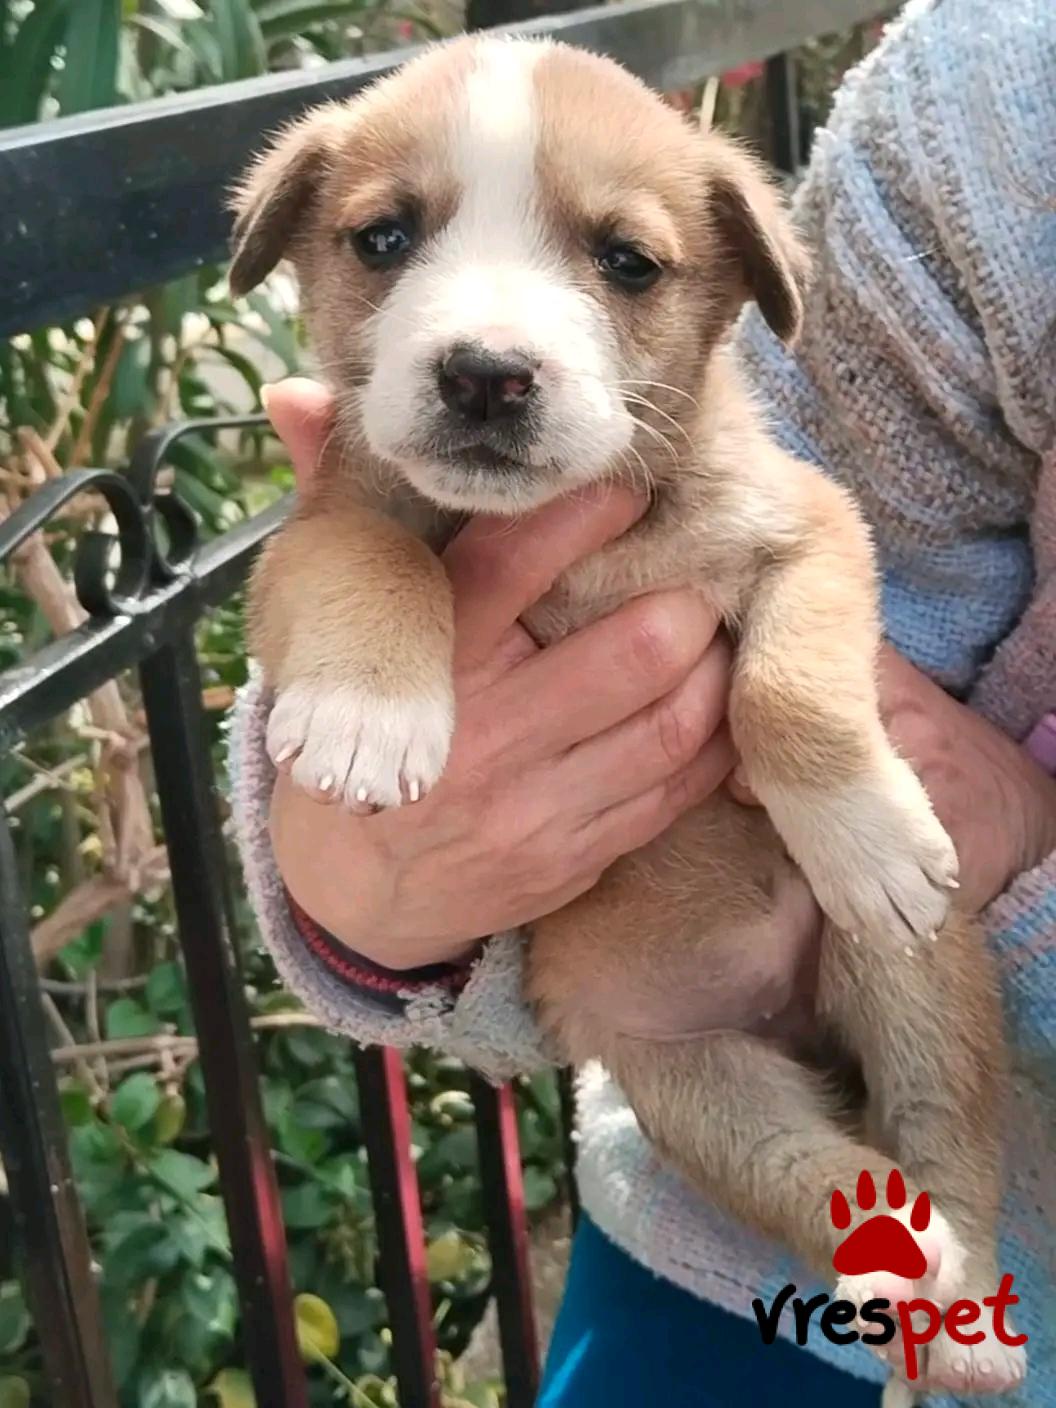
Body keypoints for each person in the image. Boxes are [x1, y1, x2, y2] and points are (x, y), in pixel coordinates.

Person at [230, 0, 1056, 1401]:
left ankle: (957, 1258)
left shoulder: (718, 466)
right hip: (649, 1017)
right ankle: (908, 1272)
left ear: (733, 293)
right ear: (294, 242)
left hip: (854, 903)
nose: (488, 346)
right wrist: (360, 817)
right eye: (388, 237)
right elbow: (320, 576)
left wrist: (815, 750)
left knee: (913, 979)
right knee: (731, 1120)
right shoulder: (988, 107)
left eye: (621, 261)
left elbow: (807, 545)